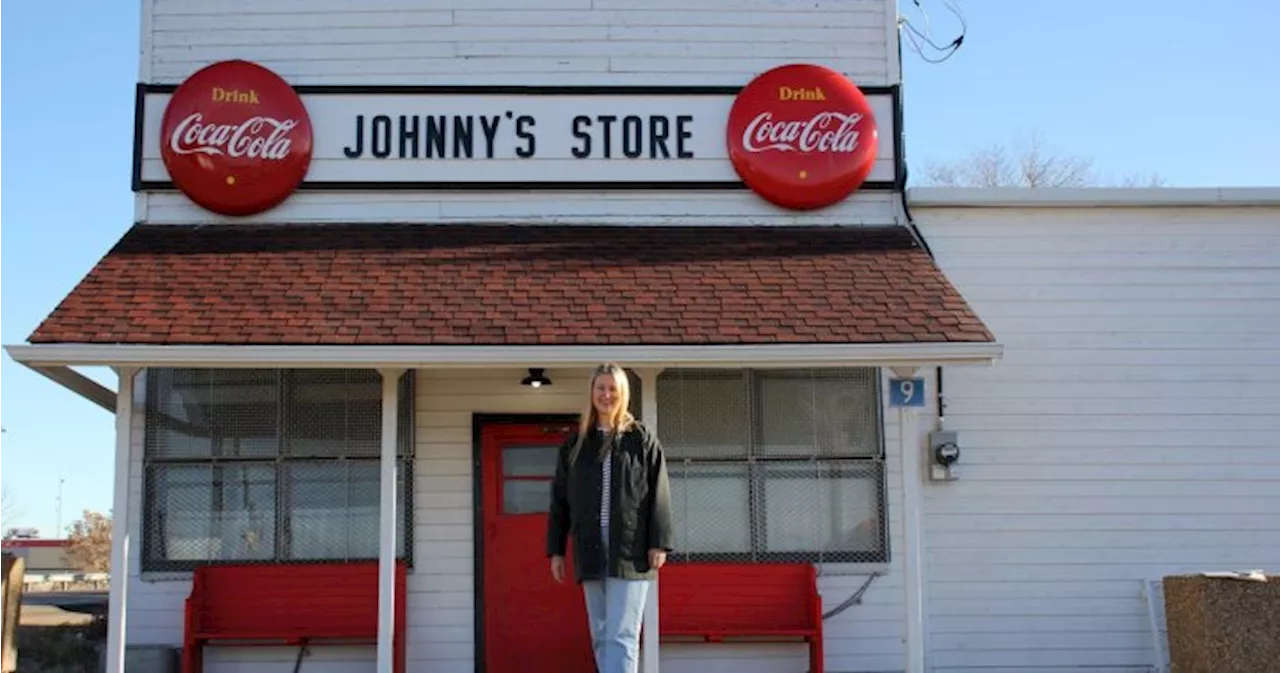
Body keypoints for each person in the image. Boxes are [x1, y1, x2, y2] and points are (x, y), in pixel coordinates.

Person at [547, 363, 674, 673]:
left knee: (622, 634)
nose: (606, 395)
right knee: (602, 634)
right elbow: (560, 500)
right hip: (589, 546)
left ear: (623, 394)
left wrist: (659, 542)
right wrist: (556, 550)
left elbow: (659, 491)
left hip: (629, 548)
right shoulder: (575, 446)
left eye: (612, 389)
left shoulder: (641, 440)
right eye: (600, 388)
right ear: (591, 394)